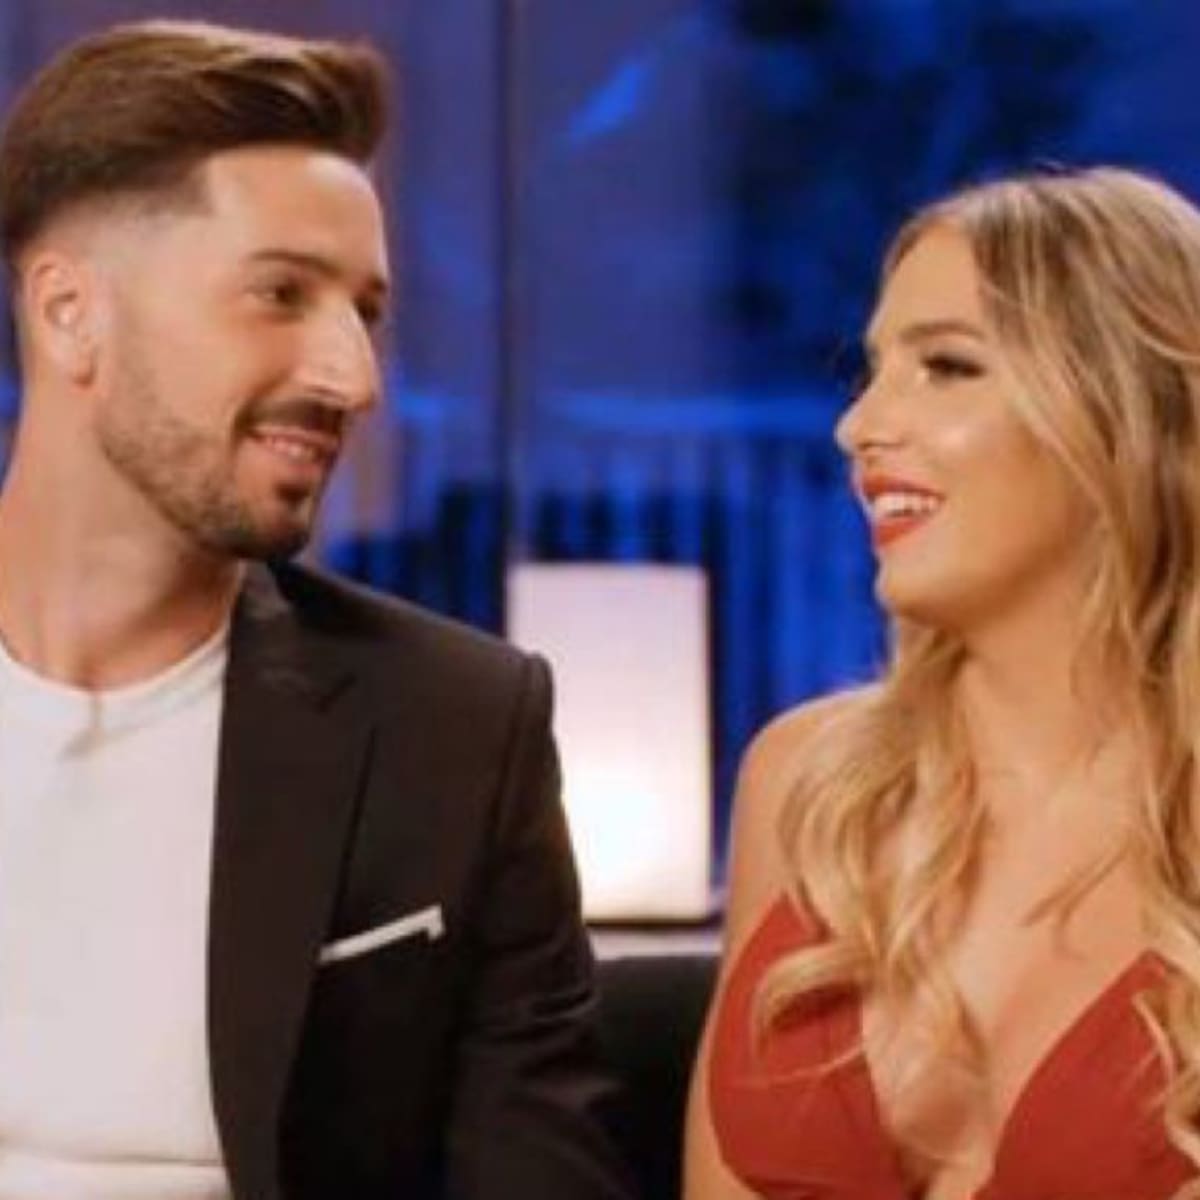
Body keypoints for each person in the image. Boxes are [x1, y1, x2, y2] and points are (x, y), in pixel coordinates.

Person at [0, 19, 636, 1200]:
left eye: (365, 312)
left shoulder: (455, 729)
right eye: (280, 294)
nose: (355, 378)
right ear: (69, 311)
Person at [685, 166, 1200, 1199]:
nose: (860, 426)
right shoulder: (808, 785)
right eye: (874, 371)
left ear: (1126, 415)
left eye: (947, 367)